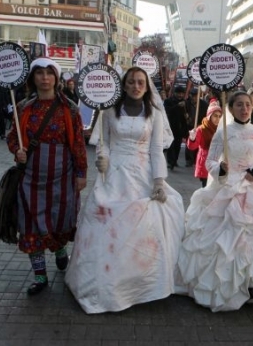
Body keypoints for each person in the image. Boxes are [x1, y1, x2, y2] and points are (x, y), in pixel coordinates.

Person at [65, 67, 185, 314]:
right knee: (107, 221)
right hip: (113, 173)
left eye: (140, 82)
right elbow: (105, 142)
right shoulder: (110, 110)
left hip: (142, 173)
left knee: (146, 224)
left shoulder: (155, 115)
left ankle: (140, 282)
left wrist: (159, 181)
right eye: (131, 82)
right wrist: (102, 158)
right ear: (124, 84)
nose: (136, 86)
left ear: (146, 85)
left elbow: (155, 150)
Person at [177, 91, 253, 312]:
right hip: (226, 186)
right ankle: (228, 284)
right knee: (225, 237)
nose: (244, 109)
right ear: (231, 108)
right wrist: (219, 169)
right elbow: (211, 161)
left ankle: (252, 283)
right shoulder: (223, 133)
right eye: (240, 105)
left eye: (247, 105)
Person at [6, 57, 87, 295]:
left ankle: (60, 252)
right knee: (31, 224)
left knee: (60, 221)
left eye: (49, 73)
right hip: (30, 178)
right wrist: (17, 150)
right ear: (33, 78)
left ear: (57, 78)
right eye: (39, 73)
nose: (44, 78)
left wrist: (81, 173)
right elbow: (12, 137)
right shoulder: (23, 108)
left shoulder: (69, 109)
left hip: (62, 177)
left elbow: (79, 145)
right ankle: (40, 276)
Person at [187, 99, 222, 187]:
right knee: (206, 189)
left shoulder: (222, 129)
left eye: (219, 116)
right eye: (215, 116)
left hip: (218, 164)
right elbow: (192, 147)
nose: (217, 119)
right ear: (209, 116)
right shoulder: (201, 129)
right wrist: (192, 138)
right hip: (205, 164)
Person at [164, 85, 189, 170]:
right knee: (171, 145)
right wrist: (177, 106)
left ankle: (175, 160)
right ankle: (170, 162)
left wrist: (187, 116)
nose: (180, 95)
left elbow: (186, 115)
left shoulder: (185, 103)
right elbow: (168, 111)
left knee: (177, 146)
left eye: (182, 93)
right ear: (174, 93)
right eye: (178, 93)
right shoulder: (168, 101)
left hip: (180, 128)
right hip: (170, 127)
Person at [185, 88, 208, 168]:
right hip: (189, 126)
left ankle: (195, 160)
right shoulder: (186, 103)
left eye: (196, 96)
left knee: (197, 143)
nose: (194, 98)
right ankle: (189, 160)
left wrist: (201, 124)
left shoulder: (204, 104)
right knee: (189, 143)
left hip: (199, 126)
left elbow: (206, 116)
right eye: (193, 96)